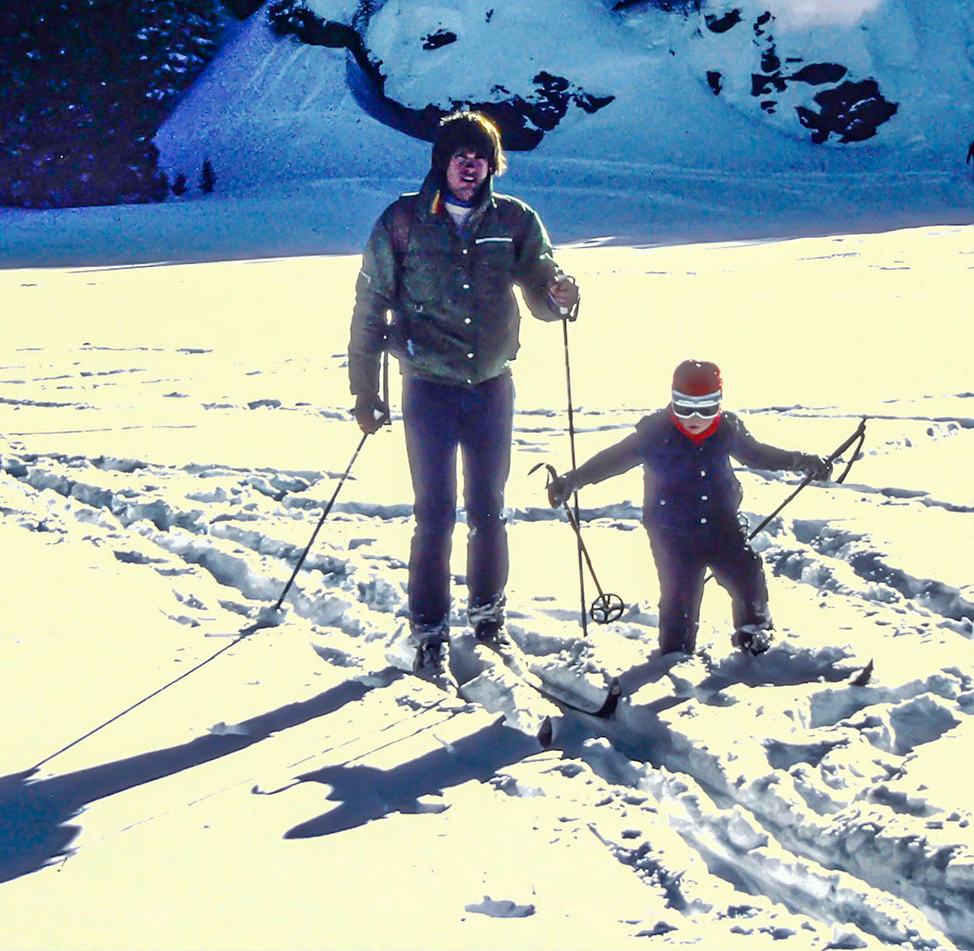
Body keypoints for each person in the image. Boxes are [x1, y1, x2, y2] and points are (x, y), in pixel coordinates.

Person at [348, 110, 580, 677]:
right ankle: (428, 630)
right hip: (427, 386)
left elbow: (542, 294)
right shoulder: (403, 221)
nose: (469, 165)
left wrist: (559, 293)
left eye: (480, 156)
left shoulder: (516, 221)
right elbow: (369, 308)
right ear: (442, 161)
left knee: (488, 511)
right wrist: (364, 392)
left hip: (491, 387)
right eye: (460, 155)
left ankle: (488, 619)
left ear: (492, 165)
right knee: (433, 515)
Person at [544, 360, 831, 658]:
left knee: (747, 574)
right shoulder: (654, 433)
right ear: (672, 400)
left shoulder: (727, 430)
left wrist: (801, 461)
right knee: (680, 594)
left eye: (706, 408)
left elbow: (758, 455)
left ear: (719, 404)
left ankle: (754, 634)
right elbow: (614, 459)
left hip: (722, 524)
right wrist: (573, 480)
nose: (695, 417)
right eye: (684, 406)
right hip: (672, 532)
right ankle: (675, 654)